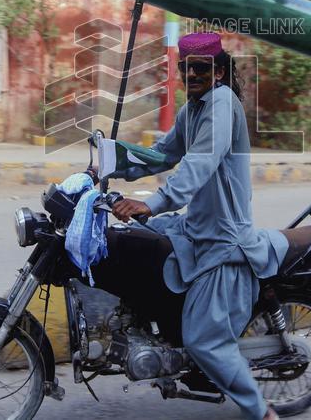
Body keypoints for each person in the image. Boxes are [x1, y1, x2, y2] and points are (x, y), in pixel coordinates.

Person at [112, 32, 287, 420]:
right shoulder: (193, 108)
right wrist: (111, 163)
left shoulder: (222, 104)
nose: (191, 75)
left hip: (224, 241)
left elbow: (198, 165)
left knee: (204, 340)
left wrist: (151, 203)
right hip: (194, 228)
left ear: (219, 72)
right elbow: (162, 154)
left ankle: (262, 411)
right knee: (135, 243)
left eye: (200, 68)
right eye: (185, 68)